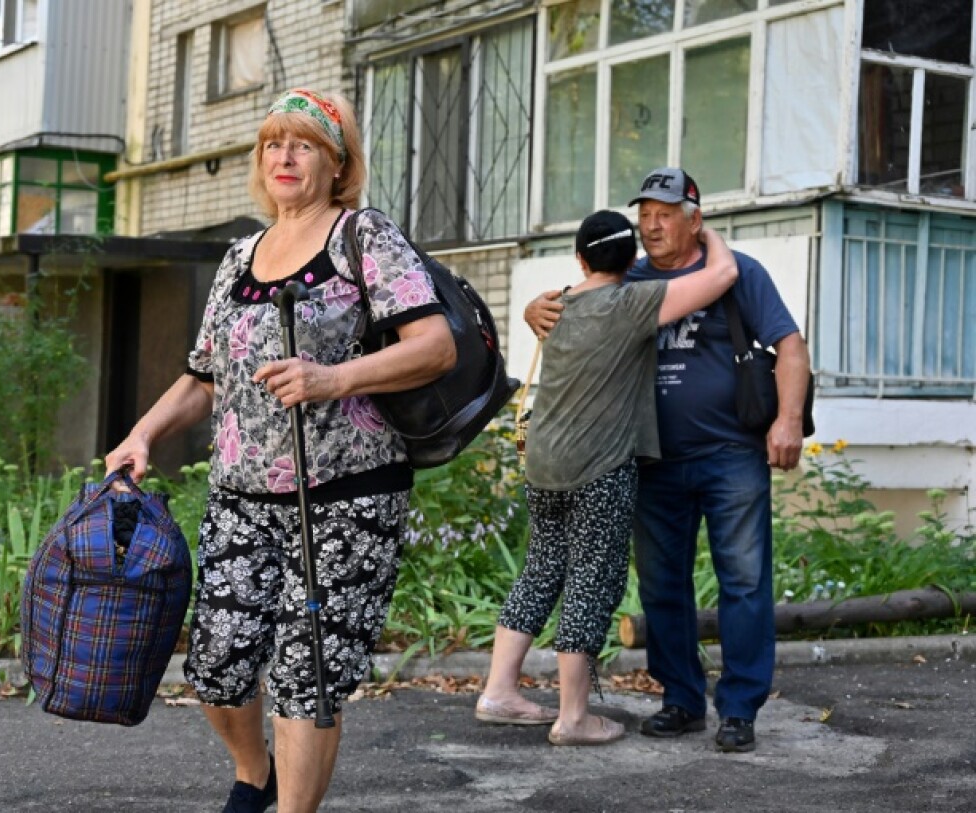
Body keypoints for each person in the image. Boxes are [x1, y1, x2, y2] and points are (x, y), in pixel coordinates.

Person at [104, 88, 456, 813]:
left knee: (308, 670)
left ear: (336, 164)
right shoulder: (240, 256)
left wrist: (335, 377)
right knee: (217, 662)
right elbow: (203, 377)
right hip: (241, 499)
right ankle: (253, 773)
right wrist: (143, 433)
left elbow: (436, 346)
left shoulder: (364, 236)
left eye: (302, 144)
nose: (283, 157)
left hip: (347, 498)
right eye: (272, 144)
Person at [525, 168, 811, 753]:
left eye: (665, 212)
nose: (652, 225)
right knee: (662, 588)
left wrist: (786, 420)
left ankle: (738, 709)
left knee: (745, 582)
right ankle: (681, 700)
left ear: (694, 218)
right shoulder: (625, 277)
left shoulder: (739, 275)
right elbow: (571, 310)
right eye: (645, 214)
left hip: (731, 454)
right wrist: (535, 307)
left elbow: (790, 345)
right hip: (649, 460)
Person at [476, 210, 738, 746]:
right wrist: (704, 230)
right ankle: (573, 717)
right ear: (633, 261)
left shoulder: (555, 306)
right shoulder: (631, 302)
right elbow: (722, 276)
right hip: (599, 467)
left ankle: (499, 690)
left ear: (579, 258)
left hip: (544, 463)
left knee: (542, 569)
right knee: (592, 580)